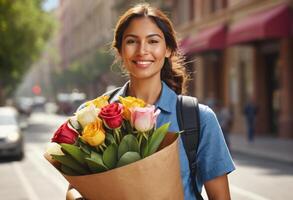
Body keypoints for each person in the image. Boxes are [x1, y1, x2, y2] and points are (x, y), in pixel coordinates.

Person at [67, 3, 235, 200]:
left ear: (168, 50)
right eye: (131, 41)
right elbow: (74, 187)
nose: (142, 50)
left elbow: (220, 198)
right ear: (120, 51)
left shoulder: (199, 118)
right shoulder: (91, 115)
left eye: (153, 41)